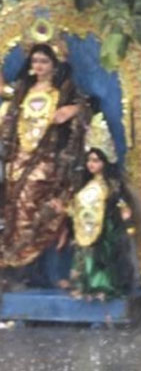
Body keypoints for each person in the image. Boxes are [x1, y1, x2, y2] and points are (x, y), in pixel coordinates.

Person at [0, 43, 87, 287]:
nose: (38, 66)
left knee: (34, 211)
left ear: (55, 65)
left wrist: (73, 110)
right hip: (17, 162)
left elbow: (88, 109)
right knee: (14, 212)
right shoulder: (22, 91)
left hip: (47, 164)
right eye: (35, 61)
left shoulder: (64, 93)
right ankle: (18, 269)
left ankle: (25, 266)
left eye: (44, 61)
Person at [59, 115, 141, 300]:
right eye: (89, 160)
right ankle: (87, 286)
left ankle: (104, 287)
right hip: (88, 228)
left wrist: (124, 212)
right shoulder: (85, 184)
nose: (91, 164)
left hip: (107, 228)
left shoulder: (112, 185)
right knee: (87, 258)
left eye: (96, 161)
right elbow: (79, 206)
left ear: (105, 162)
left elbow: (120, 202)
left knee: (103, 259)